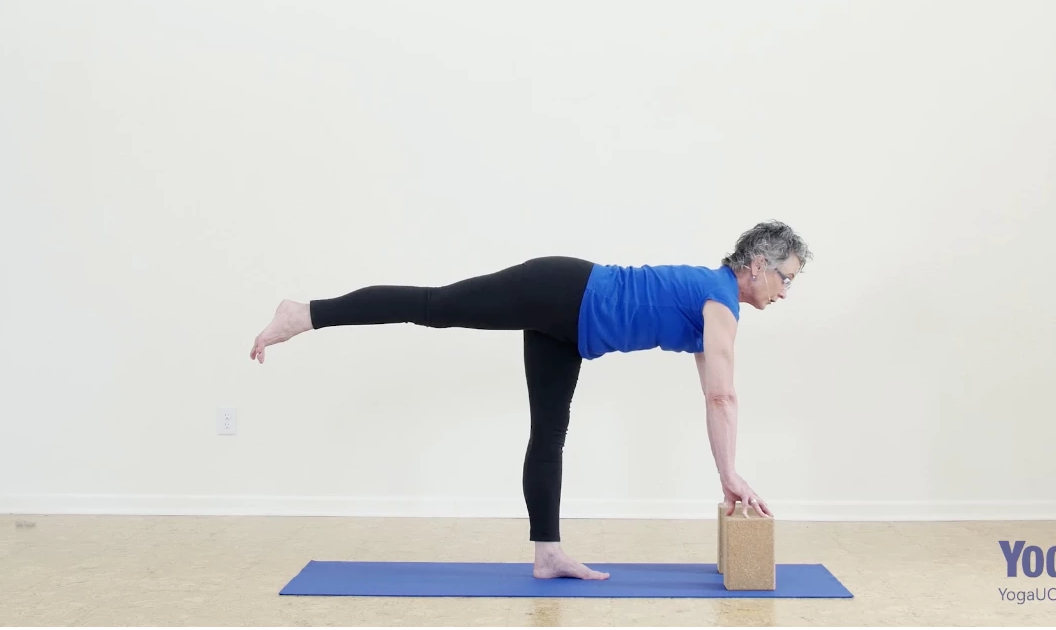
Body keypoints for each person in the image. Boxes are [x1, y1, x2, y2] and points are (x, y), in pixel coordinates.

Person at [250, 220, 811, 581]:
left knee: (549, 434)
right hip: (560, 291)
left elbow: (714, 397)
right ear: (757, 265)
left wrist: (726, 473)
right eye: (785, 278)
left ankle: (547, 553)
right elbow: (723, 396)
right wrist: (732, 474)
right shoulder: (719, 303)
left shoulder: (713, 302)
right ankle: (304, 313)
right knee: (436, 305)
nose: (785, 292)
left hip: (572, 329)